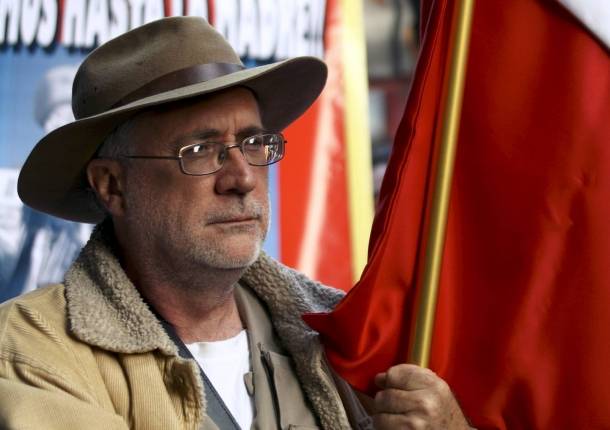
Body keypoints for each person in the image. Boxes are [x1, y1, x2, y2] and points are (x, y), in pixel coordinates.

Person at [0, 17, 471, 429]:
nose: (242, 178)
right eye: (199, 150)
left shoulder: (343, 342)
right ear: (112, 186)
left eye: (254, 143)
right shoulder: (32, 350)